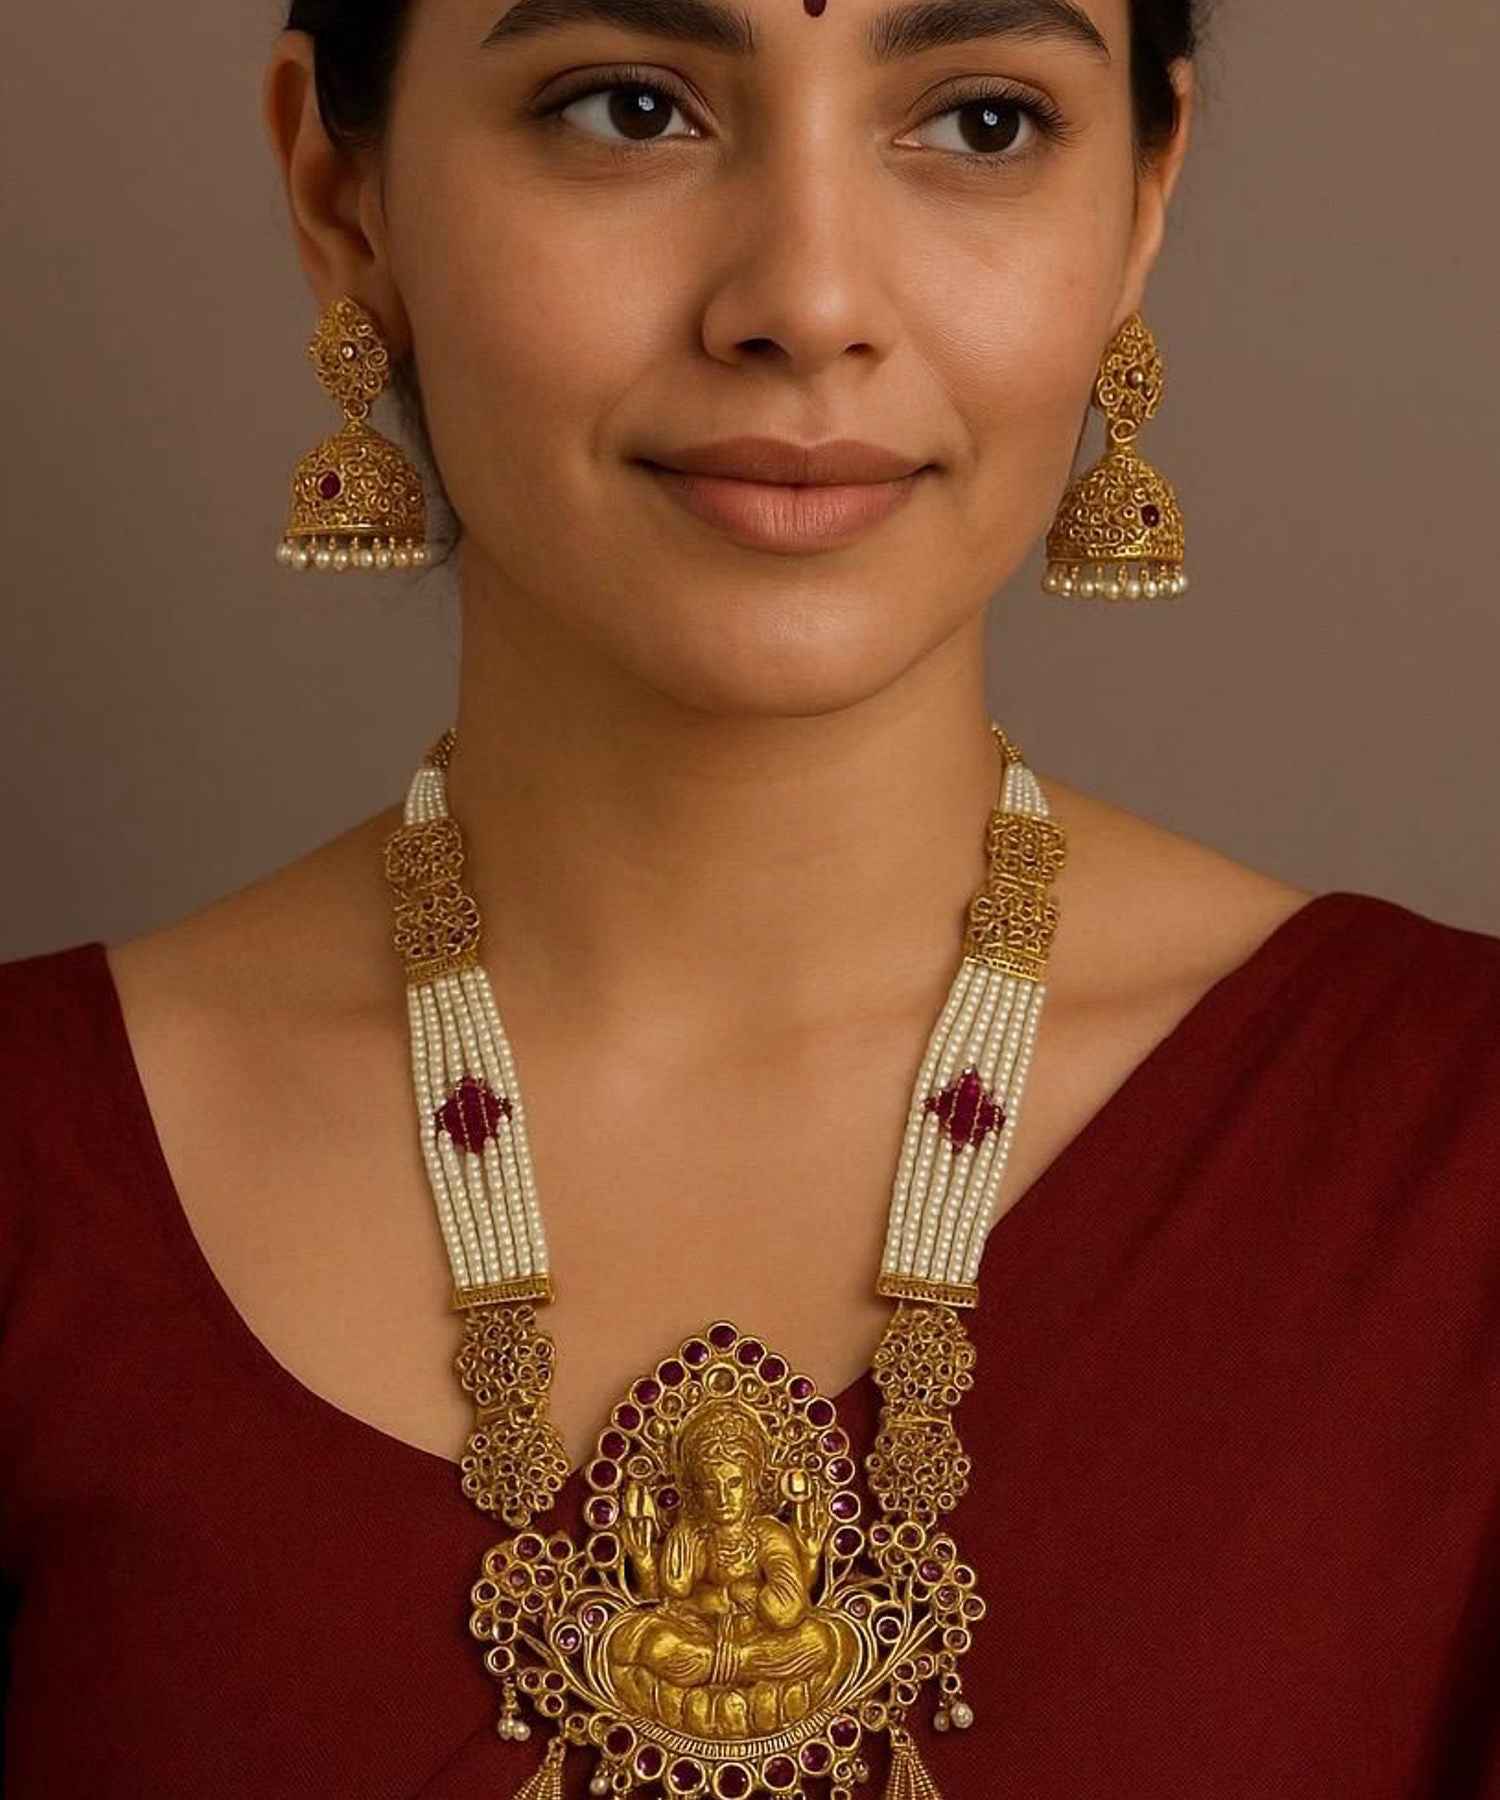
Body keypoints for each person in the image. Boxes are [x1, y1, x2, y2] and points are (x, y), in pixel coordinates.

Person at [3, 1, 1498, 1794]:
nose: (808, 300)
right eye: (629, 108)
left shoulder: (1452, 1159)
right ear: (346, 199)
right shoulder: (39, 1176)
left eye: (983, 123)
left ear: (1142, 204)